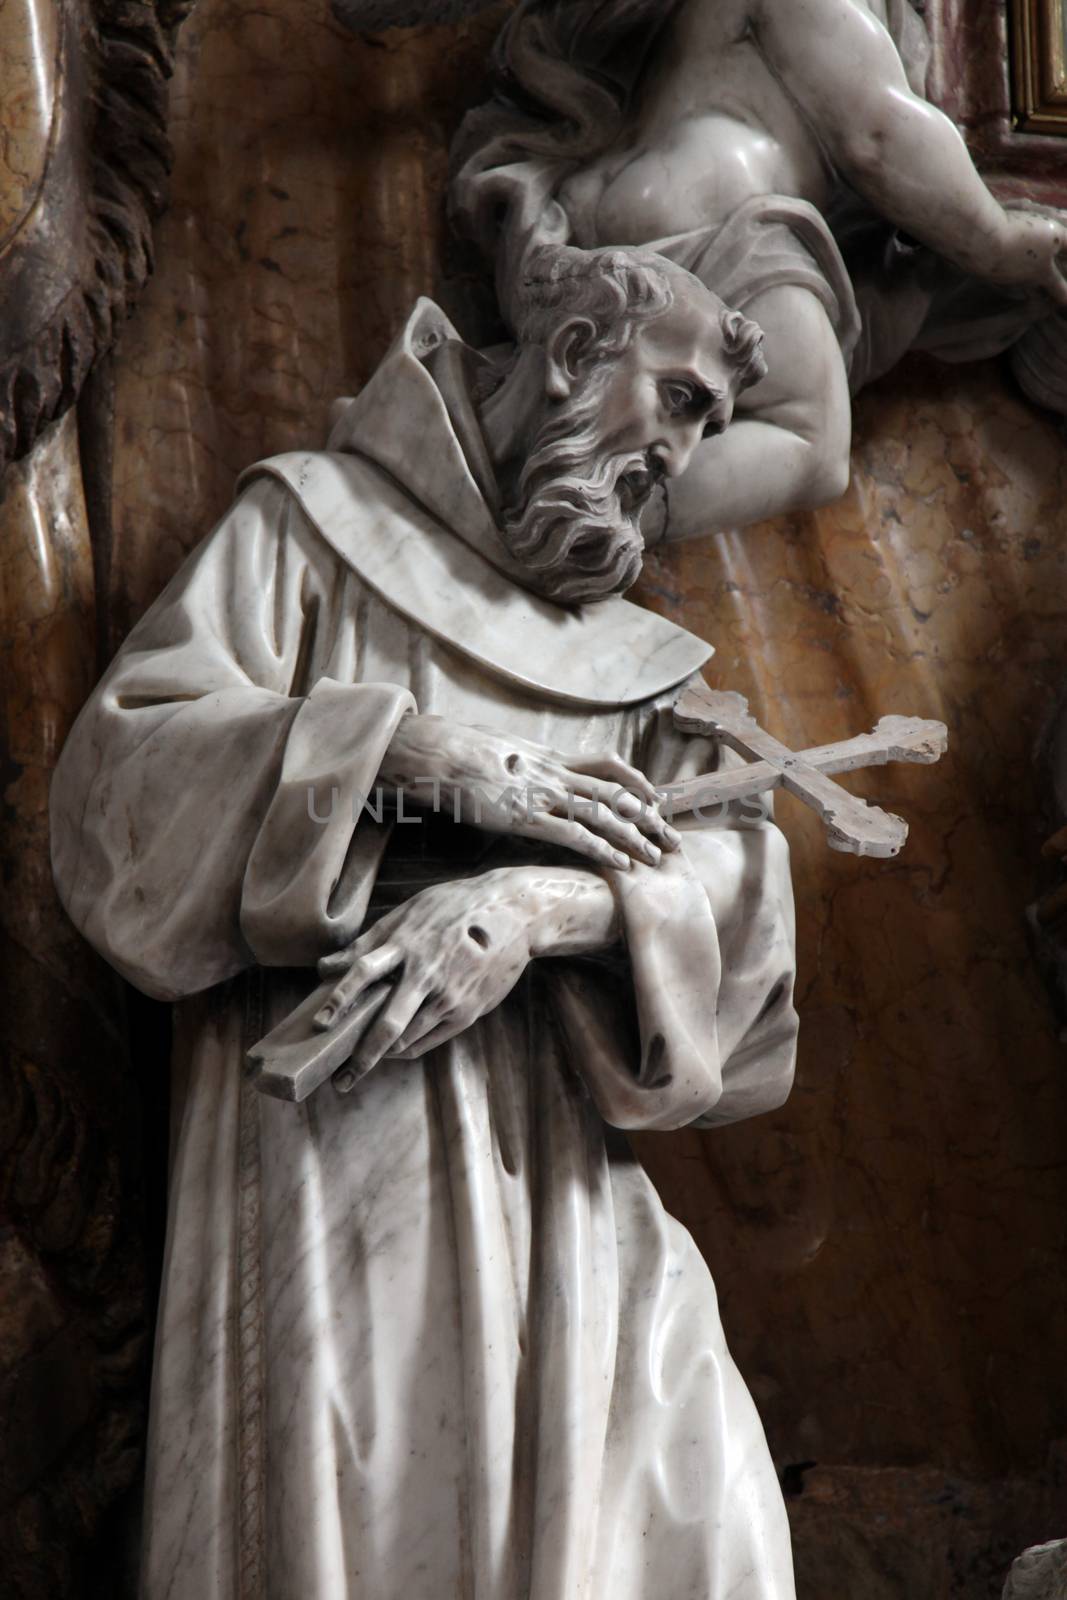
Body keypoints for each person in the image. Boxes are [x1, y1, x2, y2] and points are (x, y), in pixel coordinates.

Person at [51, 246, 800, 1599]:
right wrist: (414, 757)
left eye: (707, 427)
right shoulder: (307, 527)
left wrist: (536, 906)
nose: (683, 454)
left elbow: (740, 914)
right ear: (572, 358)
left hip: (565, 1164)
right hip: (347, 1132)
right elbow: (125, 791)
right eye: (680, 400)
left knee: (710, 1523)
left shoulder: (634, 664)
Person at [451, 0, 1067, 541]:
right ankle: (566, 528)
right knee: (810, 440)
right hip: (716, 201)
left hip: (638, 195)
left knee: (630, 390)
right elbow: (878, 136)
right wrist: (1003, 241)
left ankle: (507, 461)